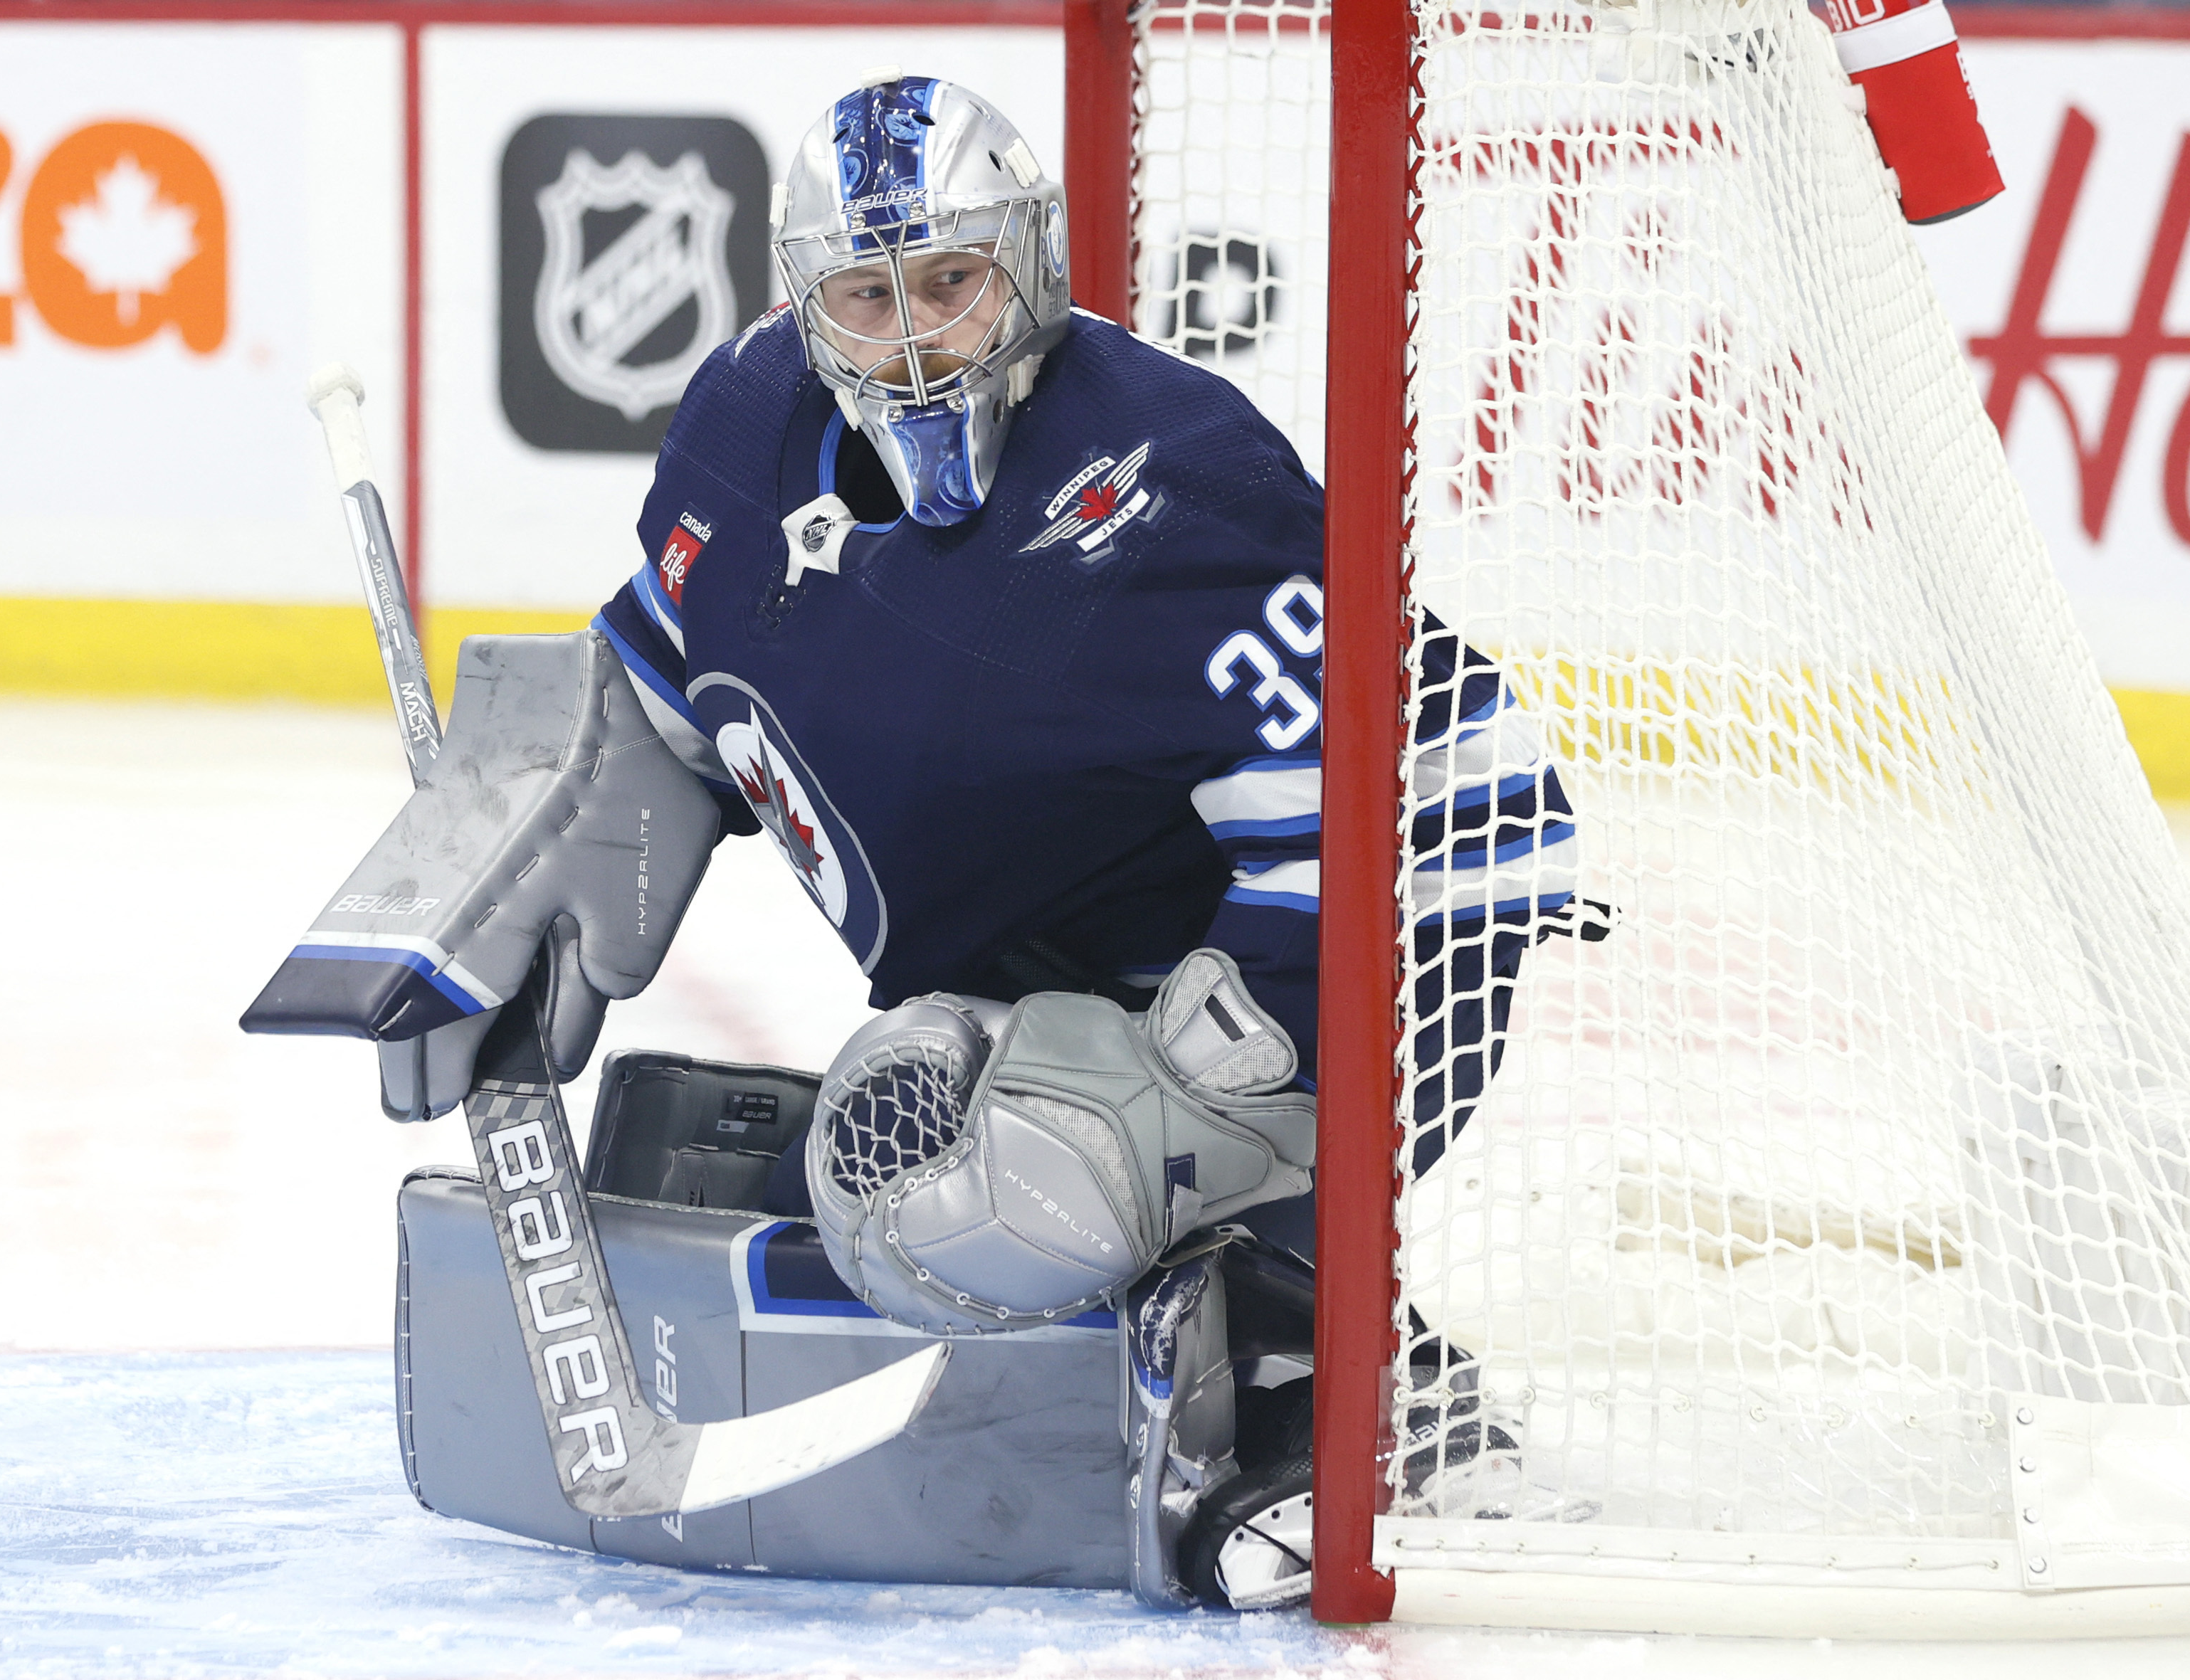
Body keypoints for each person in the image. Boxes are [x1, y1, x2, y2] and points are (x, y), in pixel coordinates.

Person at [589, 72, 1586, 1266]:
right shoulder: (744, 421)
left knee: (1015, 1213)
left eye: (951, 281)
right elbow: (659, 678)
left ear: (1032, 260)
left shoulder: (1167, 476)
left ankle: (1281, 1300)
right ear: (807, 305)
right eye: (866, 295)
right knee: (905, 1145)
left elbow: (1413, 806)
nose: (909, 337)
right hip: (1043, 974)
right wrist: (533, 847)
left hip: (1347, 956)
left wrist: (1196, 1073)